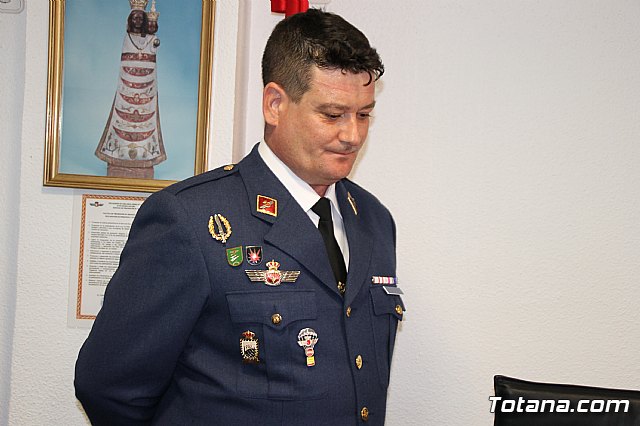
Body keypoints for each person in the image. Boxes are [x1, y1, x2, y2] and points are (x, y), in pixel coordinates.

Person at [75, 8, 404, 425]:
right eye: (332, 114)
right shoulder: (190, 219)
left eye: (364, 114)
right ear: (275, 104)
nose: (352, 135)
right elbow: (108, 386)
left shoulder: (373, 221)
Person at [95, 0, 166, 179]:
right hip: (126, 87)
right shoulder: (128, 38)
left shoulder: (149, 38)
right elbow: (126, 61)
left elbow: (152, 48)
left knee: (145, 120)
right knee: (121, 119)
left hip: (147, 88)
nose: (137, 21)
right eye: (134, 18)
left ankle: (144, 157)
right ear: (129, 20)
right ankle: (117, 156)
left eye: (140, 18)